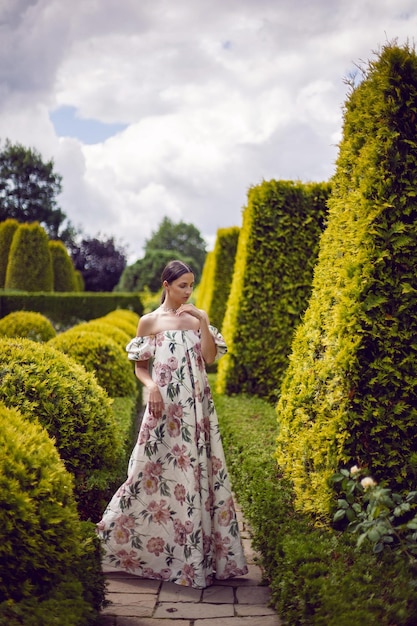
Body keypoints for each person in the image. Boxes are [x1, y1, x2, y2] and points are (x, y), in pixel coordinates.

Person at [97, 259, 248, 588]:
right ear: (166, 285)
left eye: (191, 285)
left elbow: (209, 358)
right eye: (182, 286)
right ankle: (118, 542)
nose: (188, 291)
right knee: (146, 471)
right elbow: (140, 367)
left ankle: (195, 561)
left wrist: (204, 320)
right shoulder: (148, 322)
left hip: (195, 411)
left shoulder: (196, 321)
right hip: (163, 409)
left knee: (194, 477)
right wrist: (151, 387)